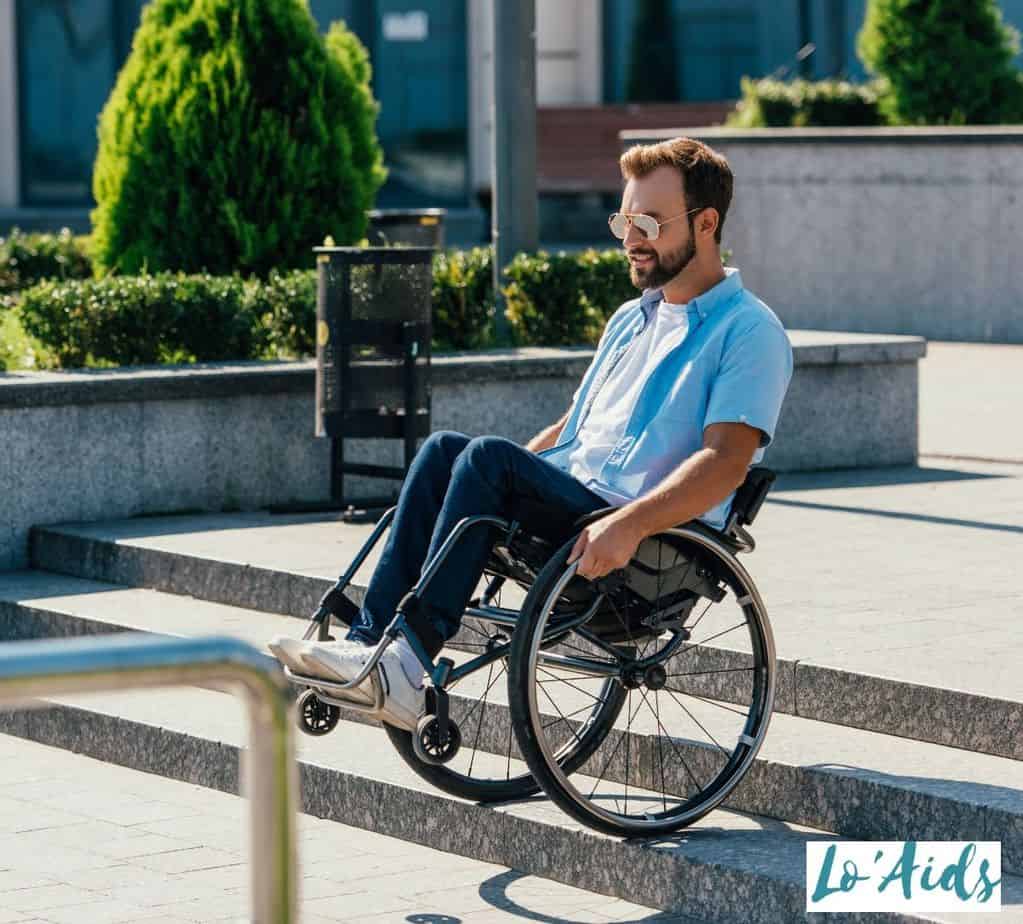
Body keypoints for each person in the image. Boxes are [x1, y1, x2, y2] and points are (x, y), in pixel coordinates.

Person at [270, 136, 793, 732]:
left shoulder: (749, 331)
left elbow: (725, 463)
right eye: (623, 219)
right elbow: (574, 430)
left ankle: (408, 664)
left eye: (647, 221)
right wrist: (486, 479)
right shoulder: (631, 318)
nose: (629, 238)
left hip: (642, 538)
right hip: (573, 503)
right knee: (450, 453)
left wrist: (629, 523)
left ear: (706, 223)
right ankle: (371, 647)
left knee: (487, 459)